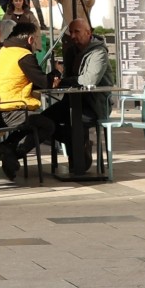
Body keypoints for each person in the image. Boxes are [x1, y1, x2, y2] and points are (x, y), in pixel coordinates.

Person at [0, 21, 55, 179]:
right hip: (8, 111)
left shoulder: (4, 50)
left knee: (33, 121)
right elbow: (45, 83)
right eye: (36, 39)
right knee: (47, 125)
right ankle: (12, 154)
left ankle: (6, 147)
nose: (37, 43)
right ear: (30, 40)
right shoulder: (24, 55)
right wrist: (58, 73)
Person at [47, 19, 111, 177]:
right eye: (71, 32)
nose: (73, 36)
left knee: (73, 121)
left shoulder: (99, 52)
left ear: (88, 33)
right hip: (72, 101)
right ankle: (80, 149)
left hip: (95, 105)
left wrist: (63, 81)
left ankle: (79, 159)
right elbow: (70, 77)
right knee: (44, 120)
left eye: (77, 32)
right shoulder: (71, 52)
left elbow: (90, 80)